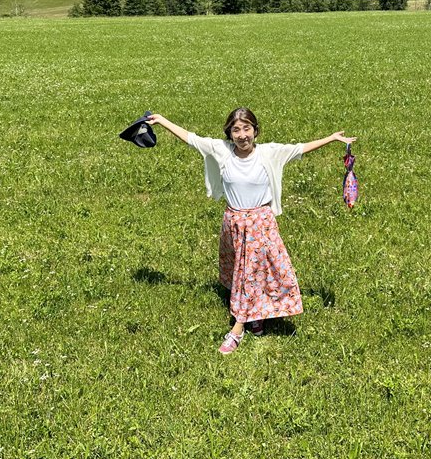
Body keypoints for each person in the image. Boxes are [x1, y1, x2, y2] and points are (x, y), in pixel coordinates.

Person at [146, 108, 356, 354]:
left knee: (249, 273)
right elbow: (191, 138)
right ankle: (257, 314)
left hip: (259, 224)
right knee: (244, 270)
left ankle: (238, 328)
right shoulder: (220, 150)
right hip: (233, 221)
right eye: (236, 130)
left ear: (256, 131)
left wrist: (331, 138)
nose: (242, 135)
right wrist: (161, 121)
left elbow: (300, 148)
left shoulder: (269, 153)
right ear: (229, 133)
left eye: (247, 129)